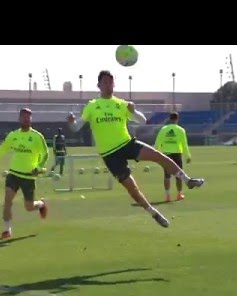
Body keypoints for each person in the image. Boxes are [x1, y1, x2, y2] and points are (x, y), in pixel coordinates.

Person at [67, 70, 205, 228]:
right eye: (105, 82)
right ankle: (153, 212)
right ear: (99, 85)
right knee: (131, 187)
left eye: (110, 82)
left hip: (127, 144)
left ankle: (188, 180)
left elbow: (142, 120)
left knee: (158, 156)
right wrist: (71, 122)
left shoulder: (120, 104)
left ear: (114, 84)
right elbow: (76, 127)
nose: (108, 85)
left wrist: (133, 111)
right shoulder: (92, 106)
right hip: (110, 154)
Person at [0, 108, 49, 239]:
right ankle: (7, 230)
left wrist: (39, 166)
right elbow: (1, 150)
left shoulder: (37, 136)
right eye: (23, 117)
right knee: (7, 201)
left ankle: (41, 204)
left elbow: (45, 154)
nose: (26, 119)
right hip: (13, 174)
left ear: (31, 119)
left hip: (28, 177)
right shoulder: (13, 136)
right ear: (19, 118)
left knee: (29, 207)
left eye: (28, 117)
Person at [154, 111, 192, 202]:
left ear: (169, 119)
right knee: (179, 175)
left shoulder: (164, 129)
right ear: (177, 119)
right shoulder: (180, 130)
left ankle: (167, 196)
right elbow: (184, 144)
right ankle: (179, 194)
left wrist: (157, 154)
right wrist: (188, 156)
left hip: (166, 154)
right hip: (177, 154)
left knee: (167, 176)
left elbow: (158, 142)